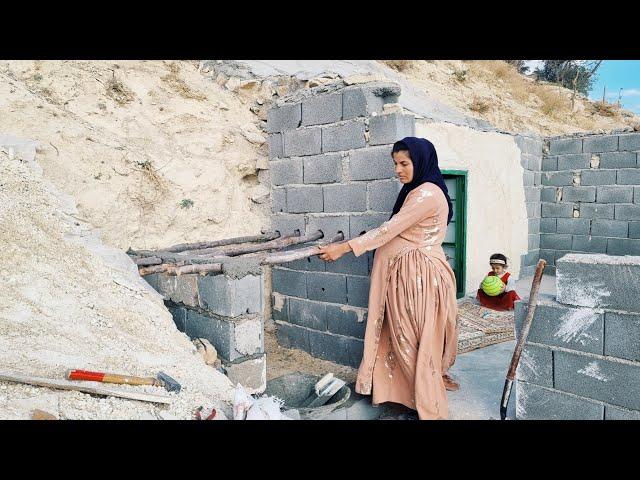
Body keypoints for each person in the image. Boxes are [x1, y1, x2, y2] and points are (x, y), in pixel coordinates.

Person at [318, 137, 459, 420]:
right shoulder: (417, 191)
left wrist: (343, 249)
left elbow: (389, 230)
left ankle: (429, 405)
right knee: (413, 337)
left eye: (404, 163)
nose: (398, 169)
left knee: (409, 338)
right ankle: (410, 394)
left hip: (416, 279)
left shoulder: (426, 194)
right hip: (414, 275)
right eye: (395, 163)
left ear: (420, 162)